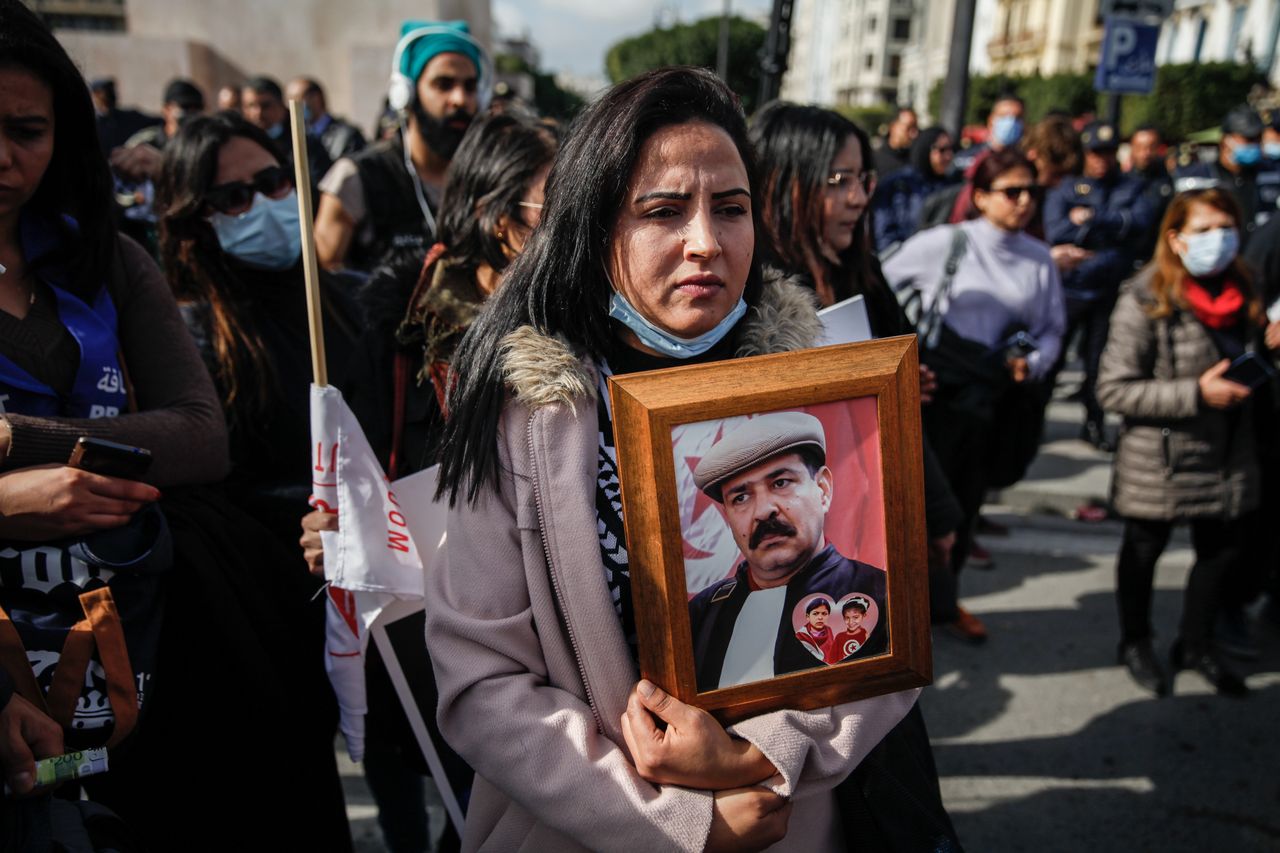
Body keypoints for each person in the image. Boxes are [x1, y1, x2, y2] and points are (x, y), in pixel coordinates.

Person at [427, 67, 940, 852]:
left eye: (730, 208)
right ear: (596, 225)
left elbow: (886, 635)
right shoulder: (519, 418)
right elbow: (483, 684)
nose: (705, 241)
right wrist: (680, 825)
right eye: (662, 211)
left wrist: (758, 756)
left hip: (791, 820)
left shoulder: (832, 388)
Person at [299, 111, 556, 853]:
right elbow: (355, 460)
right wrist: (334, 521)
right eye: (556, 206)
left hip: (539, 628)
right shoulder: (400, 319)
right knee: (431, 783)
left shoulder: (585, 320)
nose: (579, 224)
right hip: (420, 615)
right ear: (495, 214)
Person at [749, 102, 972, 641]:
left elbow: (903, 390)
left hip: (877, 520)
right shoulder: (751, 297)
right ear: (782, 182)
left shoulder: (858, 272)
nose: (856, 197)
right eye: (836, 179)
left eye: (861, 178)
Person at [155, 110, 361, 546]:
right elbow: (216, 484)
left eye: (272, 183)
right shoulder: (192, 334)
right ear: (197, 219)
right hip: (273, 573)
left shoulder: (353, 298)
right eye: (234, 198)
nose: (264, 204)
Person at [1097, 187, 1271, 697]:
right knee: (1143, 551)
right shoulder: (1144, 298)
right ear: (1174, 239)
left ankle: (1195, 643)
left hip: (1230, 452)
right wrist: (1197, 393)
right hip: (1163, 457)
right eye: (1203, 230)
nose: (1218, 239)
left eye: (1226, 227)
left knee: (1219, 553)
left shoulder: (1247, 289)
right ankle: (1135, 641)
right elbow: (1113, 388)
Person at [884, 148, 1065, 597]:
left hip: (995, 397)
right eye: (1012, 192)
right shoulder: (945, 243)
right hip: (938, 397)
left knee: (969, 502)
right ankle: (901, 615)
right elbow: (878, 286)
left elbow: (1052, 328)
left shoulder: (1039, 258)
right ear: (981, 196)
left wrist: (1034, 361)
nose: (1024, 201)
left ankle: (945, 604)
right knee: (921, 508)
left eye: (1032, 191)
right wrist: (897, 360)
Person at [687, 412, 888, 691]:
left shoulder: (884, 595)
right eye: (741, 498)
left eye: (780, 483)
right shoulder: (703, 613)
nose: (763, 510)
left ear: (823, 489)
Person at [315, 20, 488, 273]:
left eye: (470, 86)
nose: (460, 99)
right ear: (406, 93)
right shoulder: (356, 177)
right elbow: (326, 281)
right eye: (443, 84)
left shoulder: (485, 178)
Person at [1044, 120, 1155, 451]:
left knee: (1099, 364)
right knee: (1053, 359)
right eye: (1095, 153)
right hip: (1070, 291)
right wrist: (1102, 227)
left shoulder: (1130, 187)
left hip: (1109, 291)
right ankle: (1035, 422)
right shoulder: (1068, 187)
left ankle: (1094, 423)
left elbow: (1137, 224)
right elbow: (1057, 230)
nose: (1101, 160)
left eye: (1107, 153)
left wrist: (1091, 219)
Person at [1174, 105, 1280, 248]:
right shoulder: (1196, 178)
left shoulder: (1273, 173)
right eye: (1248, 139)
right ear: (1226, 141)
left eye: (1257, 139)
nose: (1254, 145)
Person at [871, 125, 958, 253]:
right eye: (942, 150)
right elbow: (883, 231)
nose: (948, 156)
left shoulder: (952, 186)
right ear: (926, 150)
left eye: (952, 149)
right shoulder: (899, 183)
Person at [241, 74, 332, 187]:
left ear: (281, 105)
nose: (258, 113)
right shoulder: (240, 147)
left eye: (265, 106)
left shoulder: (304, 143)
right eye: (251, 106)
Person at [287, 76, 367, 163]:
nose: (294, 107)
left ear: (317, 97)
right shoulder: (297, 136)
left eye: (299, 99)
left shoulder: (347, 134)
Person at [1128, 125, 1174, 263]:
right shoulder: (1121, 182)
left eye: (1151, 147)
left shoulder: (1170, 182)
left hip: (1158, 257)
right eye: (1140, 147)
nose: (1145, 153)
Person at [89, 76, 159, 157]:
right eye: (105, 91)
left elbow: (157, 122)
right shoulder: (93, 125)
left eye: (111, 90)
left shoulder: (129, 117)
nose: (110, 94)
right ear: (95, 95)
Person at [873, 107, 918, 179]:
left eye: (915, 127)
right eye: (909, 127)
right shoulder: (874, 160)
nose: (914, 134)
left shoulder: (916, 161)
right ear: (893, 126)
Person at [830, 597, 870, 663]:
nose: (851, 622)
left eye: (855, 617)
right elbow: (831, 661)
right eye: (847, 618)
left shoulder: (867, 636)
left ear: (864, 615)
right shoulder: (839, 637)